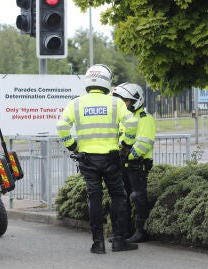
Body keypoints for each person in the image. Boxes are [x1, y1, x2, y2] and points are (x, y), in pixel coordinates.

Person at [56, 64, 138, 254]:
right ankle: (118, 240)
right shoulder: (115, 103)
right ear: (107, 82)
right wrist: (125, 146)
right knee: (118, 196)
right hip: (112, 159)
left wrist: (73, 146)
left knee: (94, 198)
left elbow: (62, 127)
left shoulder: (76, 103)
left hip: (87, 160)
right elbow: (132, 123)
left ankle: (98, 243)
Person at [112, 82, 155, 243]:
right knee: (122, 198)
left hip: (138, 165)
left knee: (138, 198)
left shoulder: (145, 118)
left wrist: (126, 156)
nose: (123, 104)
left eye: (125, 101)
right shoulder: (125, 119)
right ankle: (123, 233)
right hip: (124, 165)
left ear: (135, 100)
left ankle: (141, 232)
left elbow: (143, 144)